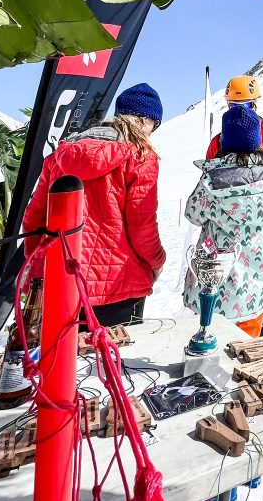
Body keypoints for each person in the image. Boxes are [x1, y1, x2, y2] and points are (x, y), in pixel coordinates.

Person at [23, 83, 166, 328]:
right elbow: (141, 225)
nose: (152, 132)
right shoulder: (141, 157)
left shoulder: (62, 154)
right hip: (118, 284)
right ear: (144, 120)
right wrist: (157, 261)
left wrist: (37, 264)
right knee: (111, 360)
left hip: (59, 279)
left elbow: (34, 217)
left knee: (64, 361)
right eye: (154, 125)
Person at [183, 103, 263, 339]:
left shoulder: (212, 180)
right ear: (257, 141)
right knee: (243, 357)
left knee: (210, 354)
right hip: (257, 290)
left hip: (215, 292)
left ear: (224, 141)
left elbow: (192, 214)